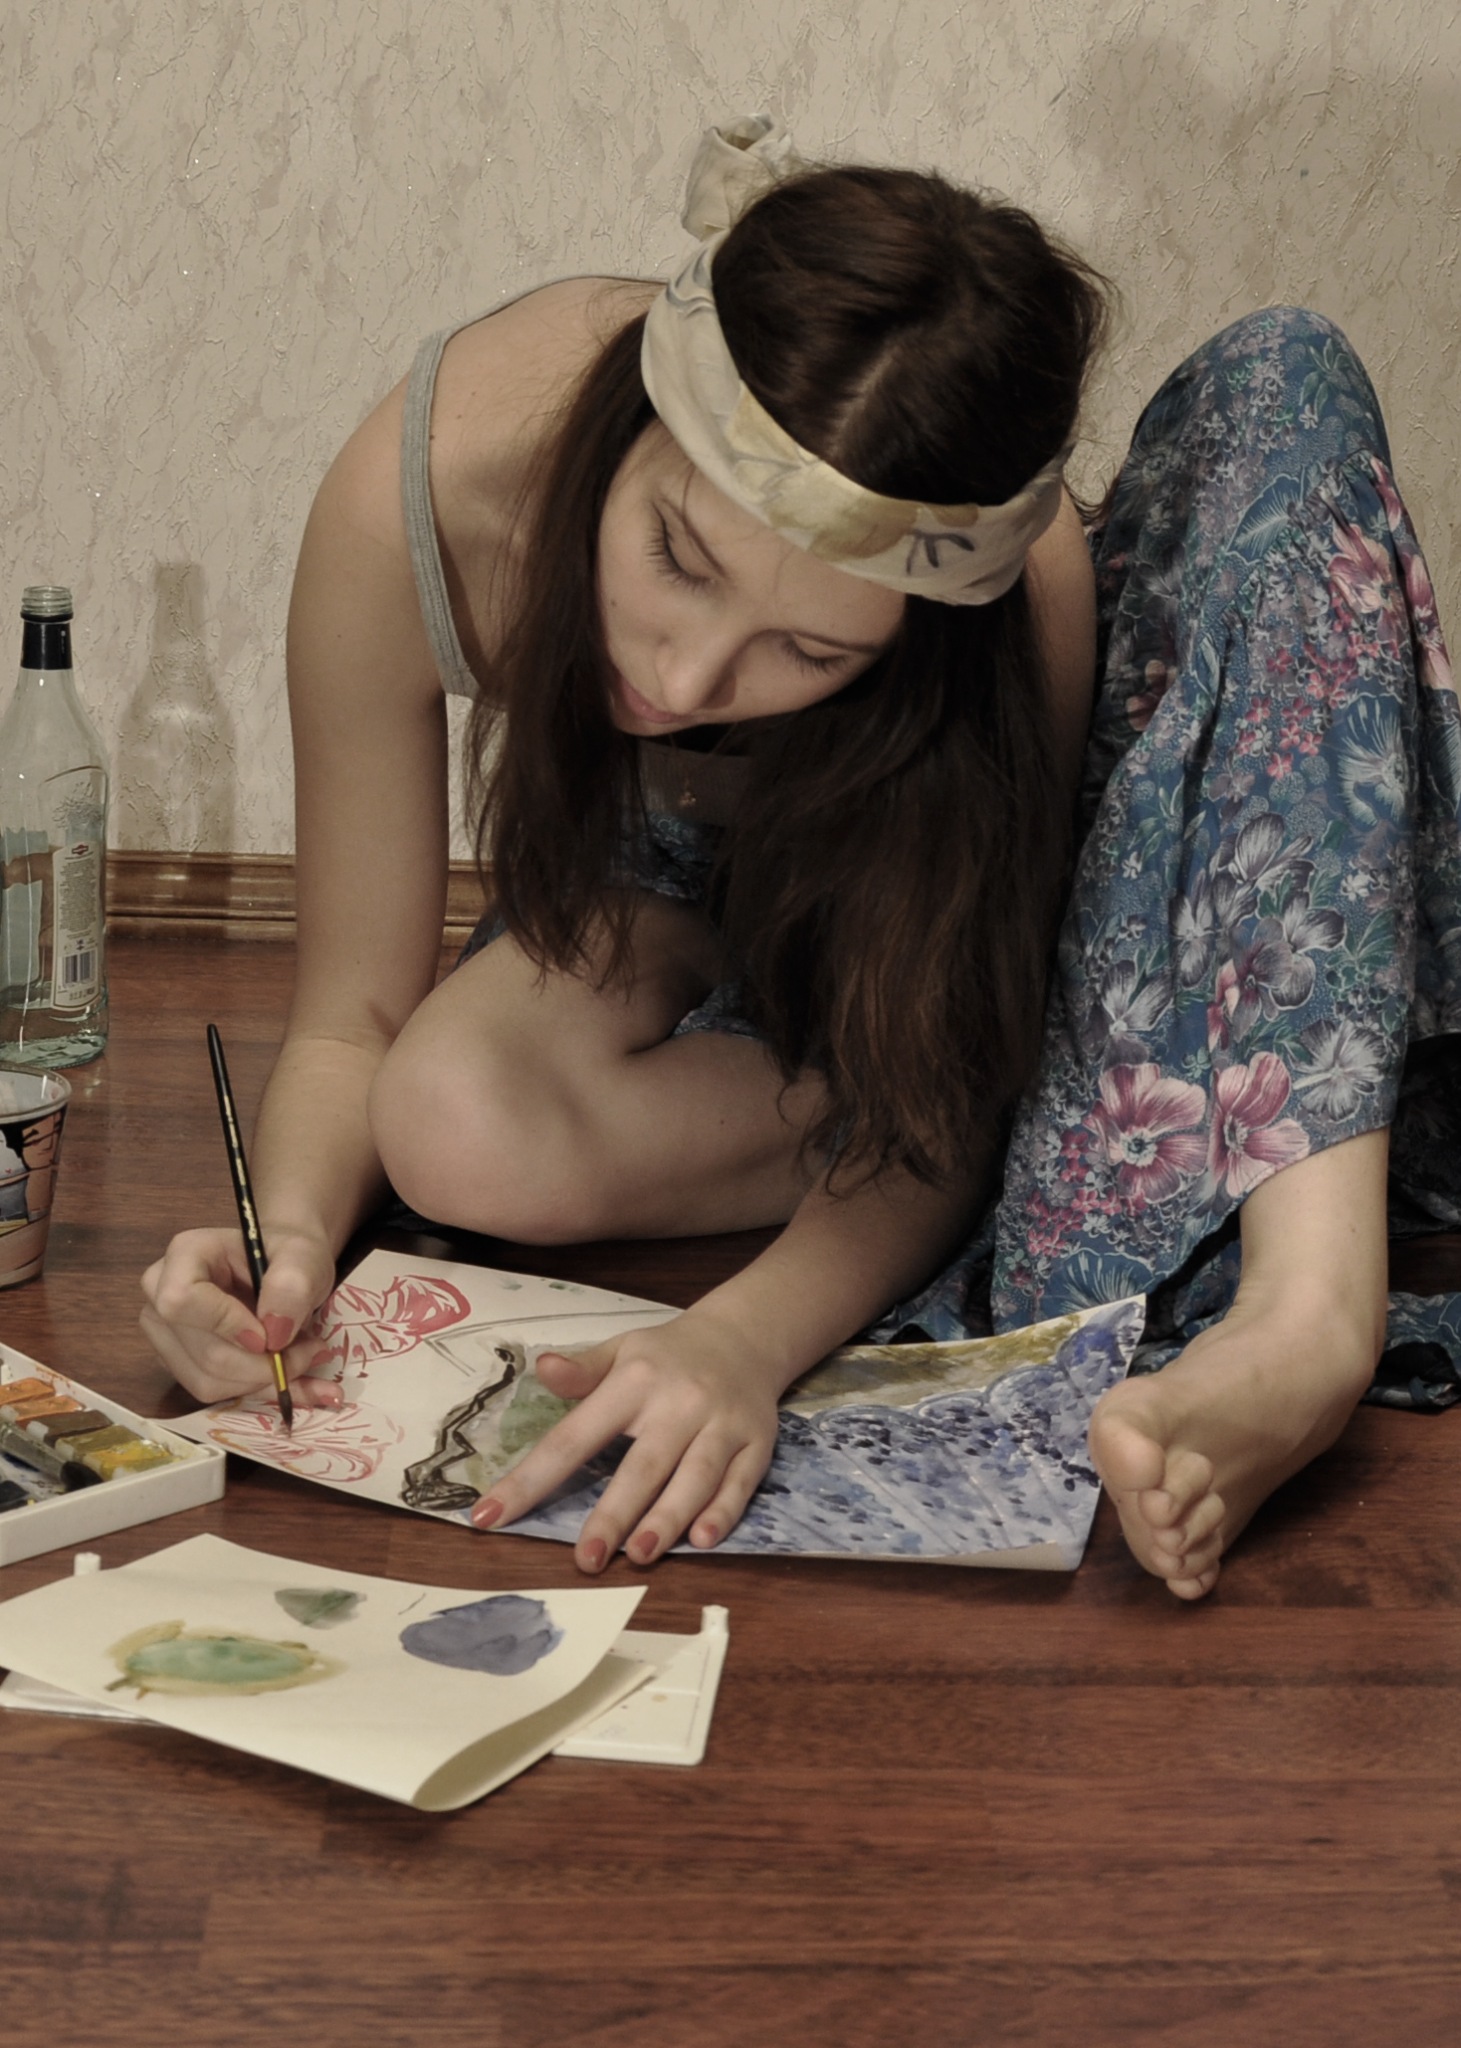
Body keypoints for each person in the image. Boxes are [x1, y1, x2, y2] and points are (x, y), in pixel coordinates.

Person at [140, 118, 1461, 1600]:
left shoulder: (1006, 616)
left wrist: (743, 1335)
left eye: (811, 649)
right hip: (711, 908)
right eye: (676, 558)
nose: (685, 677)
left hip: (996, 898)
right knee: (443, 1116)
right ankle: (1041, 1112)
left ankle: (1306, 1317)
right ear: (631, 427)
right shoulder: (432, 488)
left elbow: (945, 1084)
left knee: (1283, 374)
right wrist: (287, 1243)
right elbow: (350, 1019)